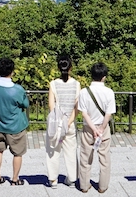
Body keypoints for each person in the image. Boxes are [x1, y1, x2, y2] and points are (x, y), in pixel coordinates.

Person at [0, 57, 30, 186]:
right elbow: (25, 104)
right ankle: (14, 179)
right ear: (12, 71)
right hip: (15, 126)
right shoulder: (17, 89)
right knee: (17, 153)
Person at [77, 62, 115, 193]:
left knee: (85, 157)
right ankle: (103, 186)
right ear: (104, 77)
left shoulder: (84, 92)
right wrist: (101, 129)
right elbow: (109, 114)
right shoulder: (109, 92)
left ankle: (84, 185)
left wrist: (93, 129)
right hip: (103, 129)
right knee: (104, 159)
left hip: (88, 128)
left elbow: (84, 113)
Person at [46, 55, 81, 188]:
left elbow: (51, 106)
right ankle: (72, 178)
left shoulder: (53, 84)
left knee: (53, 150)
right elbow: (77, 107)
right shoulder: (76, 84)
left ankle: (53, 179)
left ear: (58, 68)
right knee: (71, 151)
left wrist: (59, 121)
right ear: (71, 67)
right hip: (70, 124)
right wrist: (68, 121)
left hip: (56, 124)